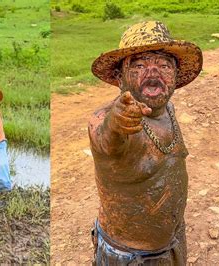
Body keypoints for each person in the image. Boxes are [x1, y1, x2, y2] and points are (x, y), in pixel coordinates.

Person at [88, 21, 203, 265]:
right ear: (120, 78)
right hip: (130, 257)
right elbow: (107, 137)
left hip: (172, 243)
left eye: (163, 65)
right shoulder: (109, 119)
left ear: (175, 75)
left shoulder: (167, 109)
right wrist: (116, 122)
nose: (153, 73)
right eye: (139, 66)